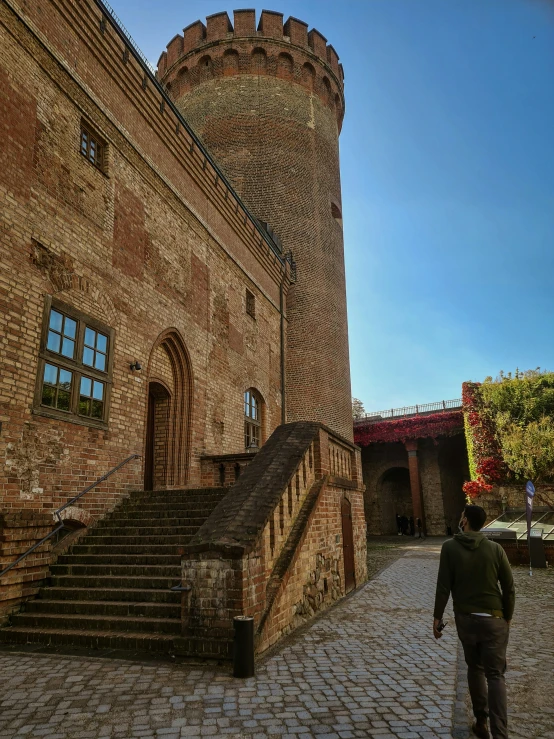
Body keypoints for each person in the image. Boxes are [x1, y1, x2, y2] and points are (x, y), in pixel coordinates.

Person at [433, 505, 515, 739]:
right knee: (496, 675)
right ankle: (500, 734)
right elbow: (508, 588)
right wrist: (507, 616)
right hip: (494, 619)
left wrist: (437, 617)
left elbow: (443, 586)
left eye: (461, 517)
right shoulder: (496, 549)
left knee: (475, 668)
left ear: (465, 521)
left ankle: (481, 721)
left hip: (467, 620)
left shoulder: (449, 548)